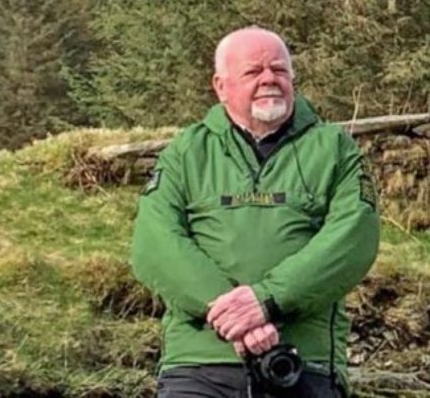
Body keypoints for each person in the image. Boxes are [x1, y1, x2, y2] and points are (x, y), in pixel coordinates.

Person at [130, 26, 380, 398]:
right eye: (253, 71)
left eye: (279, 70)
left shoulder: (335, 149)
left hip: (302, 364)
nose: (269, 80)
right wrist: (236, 316)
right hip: (198, 367)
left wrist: (268, 300)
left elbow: (352, 240)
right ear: (221, 85)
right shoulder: (186, 152)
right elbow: (155, 245)